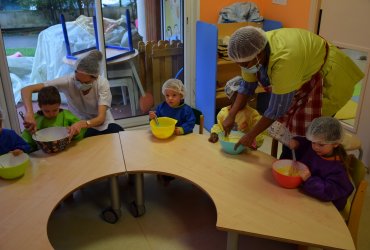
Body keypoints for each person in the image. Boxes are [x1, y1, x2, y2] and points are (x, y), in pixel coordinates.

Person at [223, 27, 364, 156]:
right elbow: (247, 86)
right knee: (292, 134)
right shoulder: (249, 52)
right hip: (302, 74)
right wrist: (231, 114)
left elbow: (276, 110)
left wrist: (251, 135)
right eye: (239, 64)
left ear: (259, 54)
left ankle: (313, 169)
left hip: (329, 76)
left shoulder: (285, 60)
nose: (243, 67)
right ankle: (291, 158)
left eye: (245, 64)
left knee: (314, 134)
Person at [21, 50, 123, 138]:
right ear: (75, 72)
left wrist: (84, 124)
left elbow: (100, 118)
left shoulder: (102, 84)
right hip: (76, 124)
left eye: (86, 82)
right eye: (78, 80)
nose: (80, 85)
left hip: (101, 122)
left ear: (95, 78)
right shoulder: (67, 81)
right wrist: (29, 113)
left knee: (116, 135)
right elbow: (26, 90)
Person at [290, 117, 354, 211]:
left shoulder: (337, 169)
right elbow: (306, 143)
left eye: (320, 145)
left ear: (335, 144)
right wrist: (297, 142)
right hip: (308, 195)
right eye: (313, 142)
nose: (315, 147)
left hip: (327, 206)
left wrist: (309, 179)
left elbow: (328, 192)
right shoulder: (316, 148)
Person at [21, 86, 86, 152]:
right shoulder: (34, 120)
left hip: (66, 151)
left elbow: (81, 129)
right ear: (40, 106)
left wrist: (75, 132)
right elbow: (26, 141)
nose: (51, 114)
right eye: (47, 111)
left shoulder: (66, 115)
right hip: (44, 156)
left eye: (55, 110)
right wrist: (23, 148)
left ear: (59, 105)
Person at [208, 76, 264, 149]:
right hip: (227, 147)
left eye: (241, 96)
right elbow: (219, 127)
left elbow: (258, 135)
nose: (239, 100)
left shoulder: (253, 114)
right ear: (230, 95)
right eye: (235, 96)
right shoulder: (223, 112)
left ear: (249, 96)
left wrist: (253, 142)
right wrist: (214, 133)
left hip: (244, 149)